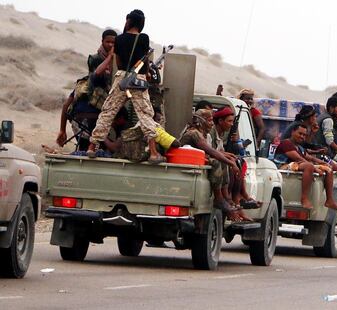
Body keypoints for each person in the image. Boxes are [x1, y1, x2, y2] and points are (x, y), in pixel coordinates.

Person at [87, 10, 170, 164]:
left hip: (121, 78)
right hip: (138, 80)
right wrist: (145, 76)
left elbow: (118, 63)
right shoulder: (144, 38)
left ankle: (92, 147)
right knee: (145, 114)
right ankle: (153, 153)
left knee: (108, 112)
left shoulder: (119, 39)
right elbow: (144, 64)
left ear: (129, 21)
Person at [178, 109, 250, 222]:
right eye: (209, 120)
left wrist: (229, 160)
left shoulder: (203, 134)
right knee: (216, 162)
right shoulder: (194, 133)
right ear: (200, 121)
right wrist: (231, 162)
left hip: (194, 159)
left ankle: (226, 197)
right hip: (186, 160)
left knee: (222, 161)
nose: (212, 123)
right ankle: (219, 198)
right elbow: (211, 151)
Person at [57, 29, 117, 151]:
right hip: (87, 125)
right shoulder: (85, 85)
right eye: (108, 42)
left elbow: (66, 106)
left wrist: (62, 130)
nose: (110, 45)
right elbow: (66, 106)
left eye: (113, 43)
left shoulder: (86, 85)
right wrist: (62, 130)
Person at [274, 124, 337, 211]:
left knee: (328, 169)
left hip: (295, 165)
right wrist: (315, 168)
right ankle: (304, 198)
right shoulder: (286, 143)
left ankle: (329, 200)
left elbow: (310, 157)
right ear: (293, 132)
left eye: (304, 135)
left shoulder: (299, 147)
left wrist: (323, 163)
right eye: (300, 134)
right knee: (309, 166)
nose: (302, 137)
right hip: (283, 167)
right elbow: (298, 158)